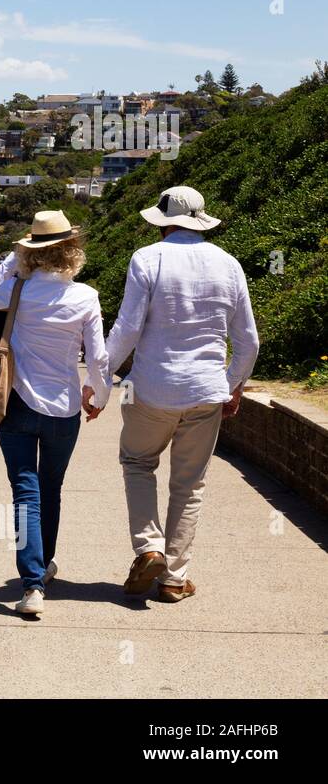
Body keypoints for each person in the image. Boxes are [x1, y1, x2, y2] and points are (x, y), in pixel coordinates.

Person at [84, 186, 258, 603]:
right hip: (205, 391)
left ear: (162, 222)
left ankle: (149, 548)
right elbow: (248, 341)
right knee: (189, 484)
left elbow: (126, 329)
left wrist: (102, 385)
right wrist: (232, 386)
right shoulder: (229, 264)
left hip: (153, 389)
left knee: (138, 463)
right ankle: (175, 578)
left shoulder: (148, 258)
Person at [0, 211, 111, 616]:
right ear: (72, 251)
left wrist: (14, 256)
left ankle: (33, 583)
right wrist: (100, 396)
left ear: (31, 252)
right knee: (50, 488)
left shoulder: (16, 292)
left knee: (25, 492)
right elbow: (99, 356)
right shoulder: (86, 296)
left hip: (16, 404)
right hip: (64, 407)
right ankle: (43, 566)